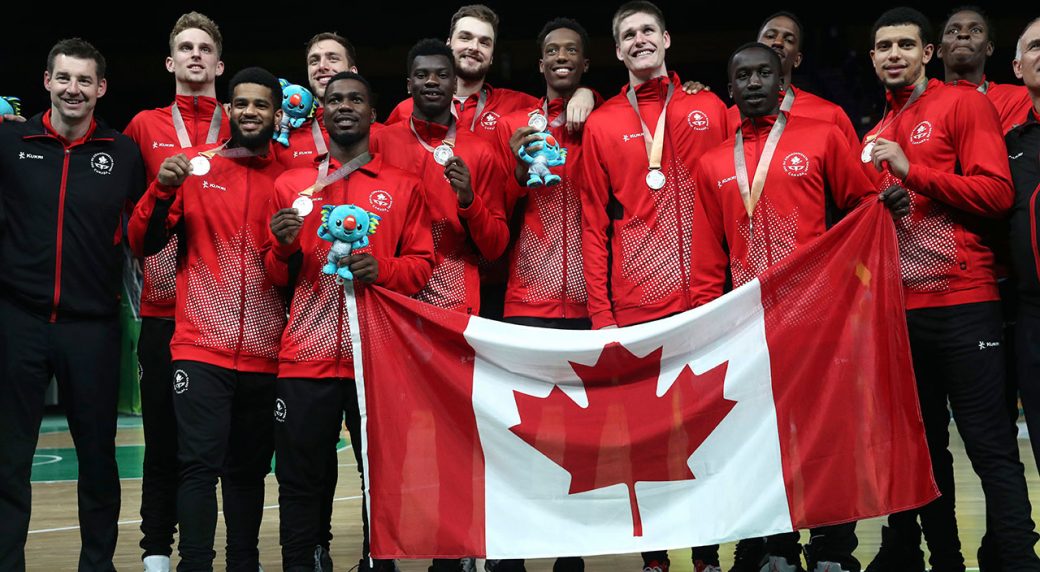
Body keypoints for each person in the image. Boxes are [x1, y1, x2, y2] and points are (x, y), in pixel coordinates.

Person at [691, 42, 909, 572]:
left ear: (782, 78)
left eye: (764, 72)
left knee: (827, 436)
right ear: (730, 89)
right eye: (742, 76)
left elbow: (861, 206)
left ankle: (833, 551)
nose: (754, 83)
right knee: (765, 440)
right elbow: (704, 258)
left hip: (818, 319)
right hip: (749, 326)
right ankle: (780, 549)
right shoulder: (713, 161)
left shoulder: (821, 137)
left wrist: (887, 205)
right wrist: (702, 326)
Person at [857, 8, 1040, 572]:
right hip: (901, 316)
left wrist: (912, 173)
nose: (894, 55)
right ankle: (946, 560)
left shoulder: (962, 104)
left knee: (990, 447)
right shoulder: (873, 136)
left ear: (927, 53)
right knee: (925, 452)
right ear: (872, 58)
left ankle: (1014, 557)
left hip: (966, 304)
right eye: (884, 46)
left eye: (905, 45)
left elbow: (995, 193)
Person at [266, 70, 434, 572]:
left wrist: (384, 269)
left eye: (355, 99)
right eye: (334, 99)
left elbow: (423, 266)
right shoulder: (291, 184)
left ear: (371, 112)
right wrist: (281, 244)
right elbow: (276, 275)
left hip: (379, 361)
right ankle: (304, 560)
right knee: (300, 478)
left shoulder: (403, 187)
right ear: (322, 111)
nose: (344, 106)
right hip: (306, 358)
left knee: (380, 477)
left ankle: (376, 563)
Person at [580, 2, 729, 570]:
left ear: (666, 38)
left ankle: (709, 551)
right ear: (618, 51)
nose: (639, 40)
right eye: (628, 35)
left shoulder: (710, 105)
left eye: (648, 30)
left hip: (710, 297)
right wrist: (603, 317)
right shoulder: (601, 123)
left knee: (708, 430)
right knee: (645, 439)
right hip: (639, 303)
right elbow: (594, 223)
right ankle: (654, 556)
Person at [128, 67, 287, 572]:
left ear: (277, 115)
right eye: (241, 104)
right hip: (199, 349)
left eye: (260, 104)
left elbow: (290, 271)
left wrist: (287, 245)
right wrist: (161, 192)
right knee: (197, 467)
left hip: (264, 353)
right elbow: (142, 242)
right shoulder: (196, 168)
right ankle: (193, 564)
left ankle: (245, 563)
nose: (249, 112)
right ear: (228, 111)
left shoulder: (291, 181)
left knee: (247, 472)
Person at [0, 37, 145, 572]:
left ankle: (96, 565)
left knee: (99, 459)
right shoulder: (10, 144)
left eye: (85, 80)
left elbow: (143, 234)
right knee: (9, 458)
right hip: (19, 320)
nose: (73, 89)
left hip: (92, 326)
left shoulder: (123, 153)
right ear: (46, 81)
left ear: (101, 88)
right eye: (64, 78)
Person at [487, 16, 600, 572]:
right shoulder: (513, 121)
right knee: (524, 432)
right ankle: (516, 548)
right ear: (540, 64)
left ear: (584, 63)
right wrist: (512, 162)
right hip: (526, 301)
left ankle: (568, 553)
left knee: (576, 439)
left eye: (571, 51)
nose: (560, 57)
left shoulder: (602, 119)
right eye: (551, 50)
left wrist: (590, 100)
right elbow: (496, 210)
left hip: (586, 301)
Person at [122, 13, 230, 571]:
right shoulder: (143, 126)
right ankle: (156, 552)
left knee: (222, 447)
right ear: (170, 62)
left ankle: (232, 553)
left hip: (225, 311)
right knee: (162, 439)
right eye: (184, 47)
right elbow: (131, 218)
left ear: (218, 63)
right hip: (164, 306)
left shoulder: (242, 121)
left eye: (203, 48)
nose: (194, 55)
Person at [726, 11, 859, 149]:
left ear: (797, 59)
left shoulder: (831, 115)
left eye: (789, 40)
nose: (778, 42)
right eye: (770, 36)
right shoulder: (725, 118)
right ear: (755, 47)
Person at [275, 32, 386, 170]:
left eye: (333, 59)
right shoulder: (283, 135)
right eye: (314, 61)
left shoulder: (384, 137)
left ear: (352, 71)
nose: (321, 66)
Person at [939, 6, 1032, 134]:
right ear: (939, 50)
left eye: (975, 30)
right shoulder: (923, 104)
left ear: (989, 48)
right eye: (953, 31)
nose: (963, 34)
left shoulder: (1021, 99)